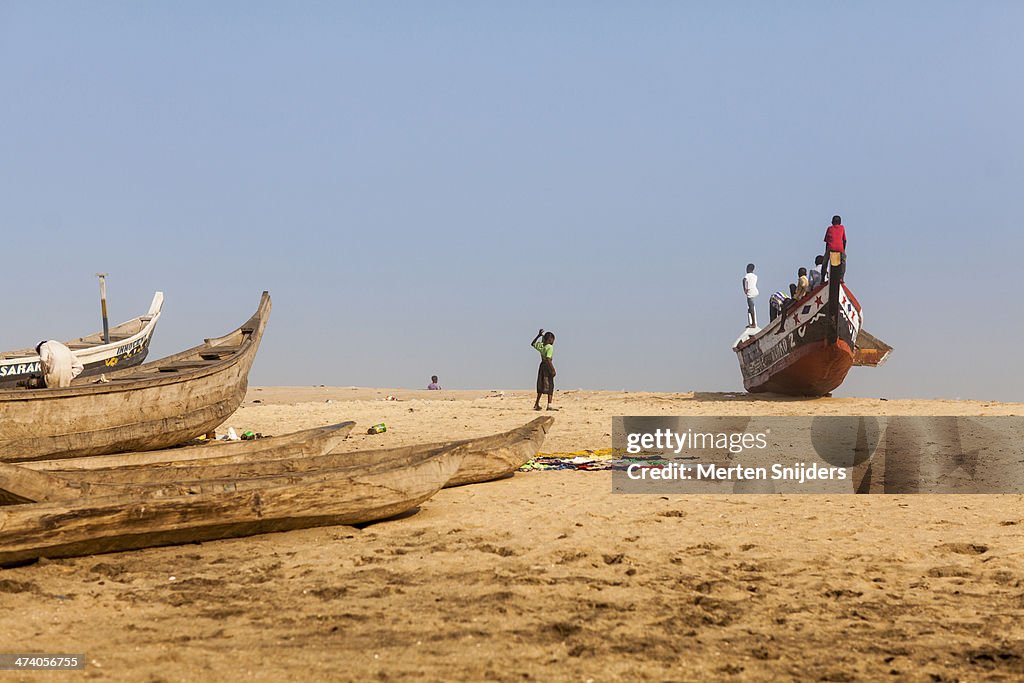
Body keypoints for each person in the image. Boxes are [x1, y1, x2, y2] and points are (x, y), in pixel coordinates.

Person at [531, 328, 557, 411]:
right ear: (550, 339)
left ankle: (536, 403)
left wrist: (538, 336)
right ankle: (549, 405)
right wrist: (553, 370)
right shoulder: (550, 347)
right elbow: (548, 359)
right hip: (547, 366)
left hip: (541, 366)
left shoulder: (542, 346)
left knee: (541, 385)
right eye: (552, 339)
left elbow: (533, 343)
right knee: (550, 385)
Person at [822, 215, 847, 282]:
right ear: (840, 222)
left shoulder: (829, 228)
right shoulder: (842, 228)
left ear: (832, 222)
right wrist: (843, 250)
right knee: (843, 261)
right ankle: (841, 277)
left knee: (824, 262)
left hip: (831, 248)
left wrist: (826, 252)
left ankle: (822, 277)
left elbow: (827, 242)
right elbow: (844, 240)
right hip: (840, 248)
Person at [742, 263, 759, 328]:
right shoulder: (755, 276)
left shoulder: (747, 275)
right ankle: (752, 321)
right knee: (751, 307)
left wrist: (745, 289)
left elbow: (744, 280)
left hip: (750, 292)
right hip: (755, 291)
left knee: (751, 307)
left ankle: (753, 323)